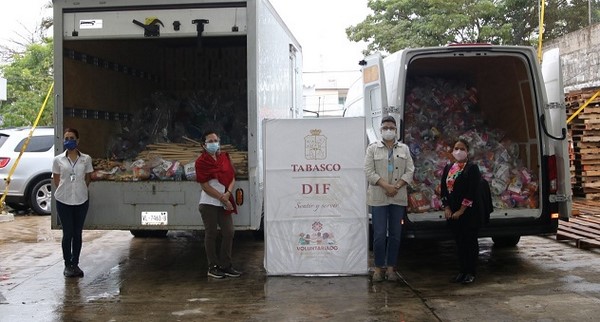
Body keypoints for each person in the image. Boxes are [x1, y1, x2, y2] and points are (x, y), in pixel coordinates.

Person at [364, 116, 415, 282]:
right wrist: (386, 186)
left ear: (396, 130)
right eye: (385, 127)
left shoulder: (404, 149)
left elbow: (410, 170)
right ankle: (379, 268)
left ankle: (391, 268)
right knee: (378, 235)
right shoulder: (373, 149)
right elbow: (369, 172)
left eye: (391, 127)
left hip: (397, 198)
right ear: (380, 130)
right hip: (379, 198)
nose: (388, 130)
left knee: (395, 234)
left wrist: (397, 186)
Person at [195, 130, 241, 279]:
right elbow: (205, 186)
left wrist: (228, 193)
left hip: (224, 200)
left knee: (229, 232)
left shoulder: (224, 158)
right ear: (204, 145)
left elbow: (232, 176)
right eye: (210, 141)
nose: (214, 143)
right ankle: (213, 266)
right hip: (209, 202)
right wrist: (223, 198)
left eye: (216, 140)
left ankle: (226, 265)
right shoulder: (201, 162)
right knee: (211, 233)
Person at [440, 138, 483, 285]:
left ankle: (470, 272)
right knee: (459, 243)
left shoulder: (472, 168)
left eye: (462, 149)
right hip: (453, 214)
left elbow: (472, 192)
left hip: (469, 214)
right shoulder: (448, 168)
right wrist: (447, 207)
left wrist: (461, 210)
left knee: (470, 242)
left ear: (467, 151)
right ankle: (462, 271)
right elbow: (443, 189)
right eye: (456, 148)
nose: (458, 151)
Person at [52, 128, 94, 278]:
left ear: (77, 140)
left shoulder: (86, 159)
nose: (68, 140)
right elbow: (57, 180)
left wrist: (79, 189)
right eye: (66, 138)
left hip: (81, 200)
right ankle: (67, 264)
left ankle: (75, 263)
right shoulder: (58, 160)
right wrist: (67, 190)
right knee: (67, 233)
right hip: (63, 200)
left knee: (77, 233)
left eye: (71, 138)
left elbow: (88, 178)